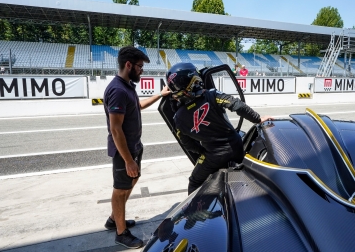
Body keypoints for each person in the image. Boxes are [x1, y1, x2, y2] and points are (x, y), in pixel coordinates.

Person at [166, 62, 273, 195]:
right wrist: (258, 118)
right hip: (236, 146)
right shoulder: (212, 95)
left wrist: (202, 152)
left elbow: (187, 144)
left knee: (194, 181)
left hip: (214, 155)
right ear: (194, 80)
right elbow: (238, 106)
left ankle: (195, 213)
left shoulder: (178, 118)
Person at [103, 46, 170, 249]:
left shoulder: (127, 87)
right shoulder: (117, 90)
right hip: (125, 151)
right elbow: (115, 130)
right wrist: (128, 160)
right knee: (120, 190)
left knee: (130, 182)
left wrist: (161, 94)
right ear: (128, 65)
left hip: (134, 146)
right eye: (140, 66)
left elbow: (138, 107)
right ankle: (121, 233)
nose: (142, 70)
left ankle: (115, 219)